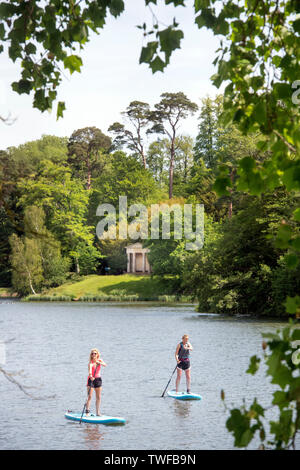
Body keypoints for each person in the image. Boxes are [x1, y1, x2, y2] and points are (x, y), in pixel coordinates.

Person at [85, 348, 107, 416]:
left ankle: (98, 413)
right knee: (90, 396)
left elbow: (105, 365)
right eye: (92, 353)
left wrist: (99, 362)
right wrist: (91, 376)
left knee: (98, 397)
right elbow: (90, 372)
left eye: (95, 353)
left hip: (98, 380)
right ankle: (87, 412)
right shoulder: (90, 363)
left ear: (97, 354)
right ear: (91, 355)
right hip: (91, 380)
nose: (93, 354)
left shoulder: (100, 360)